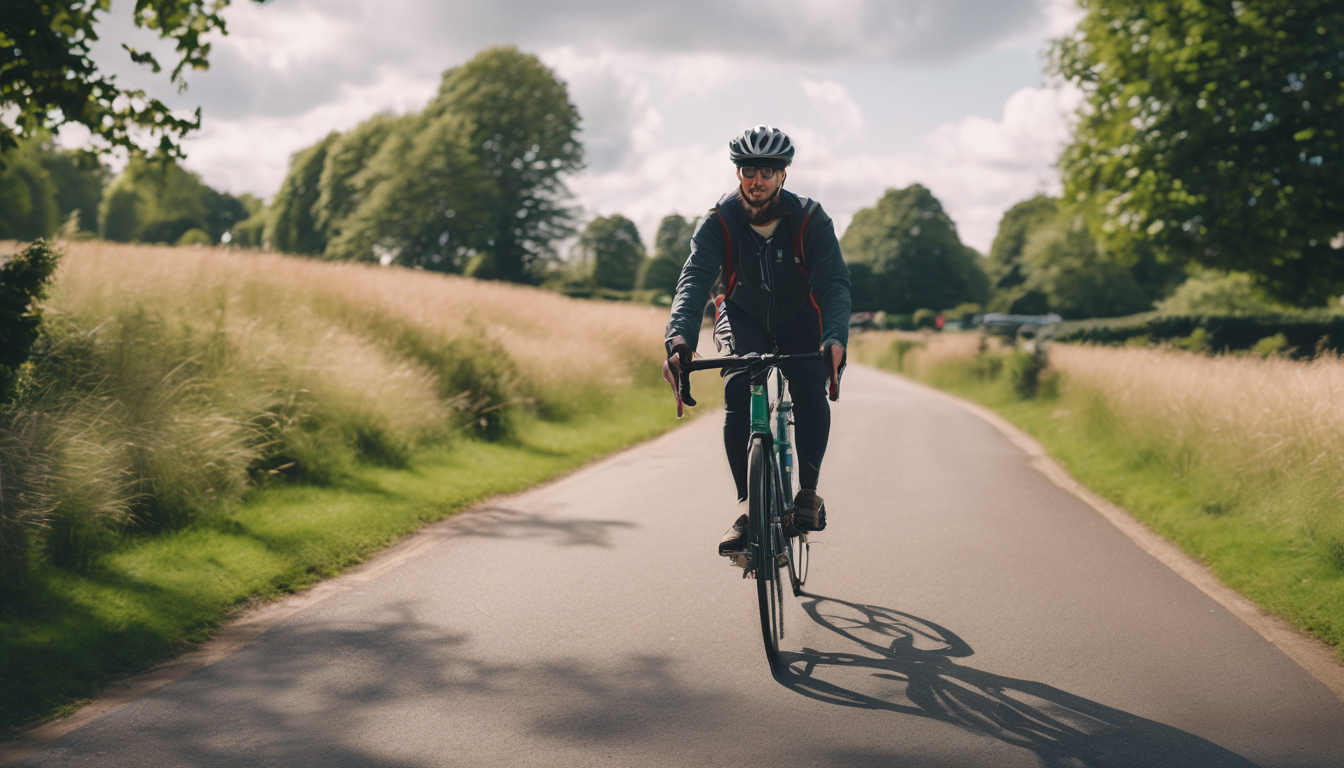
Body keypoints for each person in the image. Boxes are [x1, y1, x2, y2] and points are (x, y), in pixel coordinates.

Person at [661, 125, 851, 557]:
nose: (757, 179)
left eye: (768, 170)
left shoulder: (809, 219)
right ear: (738, 173)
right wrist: (679, 339)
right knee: (737, 391)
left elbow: (834, 283)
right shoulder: (719, 221)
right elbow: (692, 282)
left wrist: (834, 337)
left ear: (783, 175)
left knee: (807, 386)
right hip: (742, 316)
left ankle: (807, 492)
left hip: (802, 318)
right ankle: (748, 509)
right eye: (749, 169)